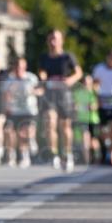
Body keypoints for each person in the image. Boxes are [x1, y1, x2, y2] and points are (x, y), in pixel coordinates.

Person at [39, 30, 82, 171]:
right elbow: (42, 72)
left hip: (64, 94)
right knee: (50, 122)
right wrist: (43, 78)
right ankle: (54, 154)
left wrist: (70, 80)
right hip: (50, 94)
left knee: (65, 126)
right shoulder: (44, 57)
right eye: (51, 39)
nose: (53, 42)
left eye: (55, 39)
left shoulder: (67, 56)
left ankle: (67, 154)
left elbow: (78, 72)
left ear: (61, 40)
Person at [0, 57, 43, 168]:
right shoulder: (9, 80)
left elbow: (41, 90)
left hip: (29, 109)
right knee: (11, 133)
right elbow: (5, 95)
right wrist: (7, 107)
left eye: (21, 67)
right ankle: (12, 156)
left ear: (25, 67)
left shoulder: (31, 78)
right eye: (17, 66)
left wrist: (33, 91)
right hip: (14, 110)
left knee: (25, 131)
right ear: (14, 67)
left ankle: (26, 155)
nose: (19, 69)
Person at [72, 74, 100, 165]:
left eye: (89, 82)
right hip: (83, 119)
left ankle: (97, 157)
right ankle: (87, 160)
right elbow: (74, 106)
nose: (87, 84)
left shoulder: (94, 93)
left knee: (94, 140)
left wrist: (83, 106)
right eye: (85, 82)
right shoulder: (77, 93)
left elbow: (94, 106)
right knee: (85, 139)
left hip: (93, 120)